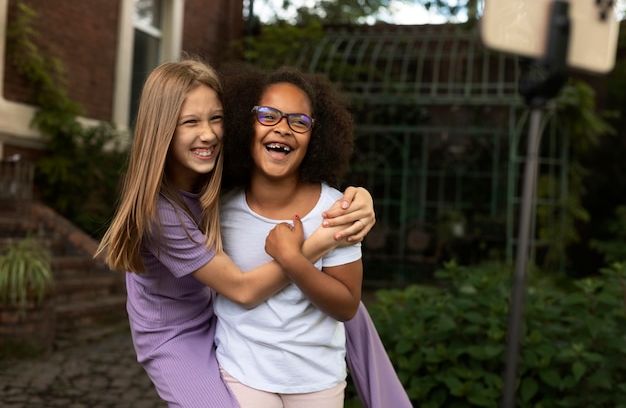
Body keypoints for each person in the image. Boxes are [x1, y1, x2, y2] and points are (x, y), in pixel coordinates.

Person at [94, 58, 408, 408]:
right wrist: (315, 244)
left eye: (216, 119)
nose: (209, 133)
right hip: (176, 332)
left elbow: (279, 173)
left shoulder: (215, 169)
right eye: (190, 122)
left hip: (215, 311)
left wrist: (361, 199)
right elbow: (243, 290)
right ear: (163, 130)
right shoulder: (159, 212)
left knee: (349, 311)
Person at [217, 63, 412, 408]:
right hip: (241, 372)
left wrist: (294, 258)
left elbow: (347, 305)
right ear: (245, 124)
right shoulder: (221, 207)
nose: (283, 129)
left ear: (315, 136)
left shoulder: (335, 209)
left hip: (317, 380)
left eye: (299, 121)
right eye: (268, 116)